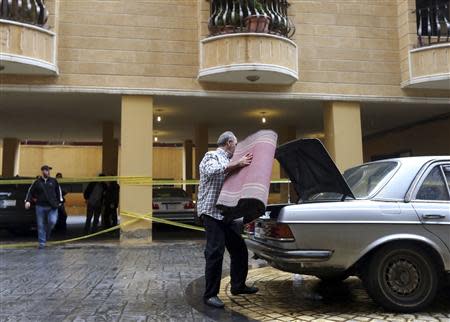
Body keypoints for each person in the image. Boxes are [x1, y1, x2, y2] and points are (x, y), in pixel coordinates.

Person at [197, 131, 258, 309]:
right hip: (211, 212)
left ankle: (238, 286)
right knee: (215, 252)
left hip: (227, 214)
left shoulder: (232, 161)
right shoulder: (212, 156)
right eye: (236, 143)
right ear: (229, 142)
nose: (236, 147)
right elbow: (212, 171)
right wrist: (237, 164)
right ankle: (210, 295)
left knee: (239, 249)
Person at [25, 165, 63, 249]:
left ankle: (47, 234)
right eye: (46, 170)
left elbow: (58, 191)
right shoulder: (37, 182)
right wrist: (28, 201)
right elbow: (30, 192)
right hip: (40, 206)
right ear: (42, 171)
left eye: (49, 170)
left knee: (52, 221)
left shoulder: (54, 181)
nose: (48, 171)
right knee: (41, 225)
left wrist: (60, 201)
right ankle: (42, 243)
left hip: (52, 206)